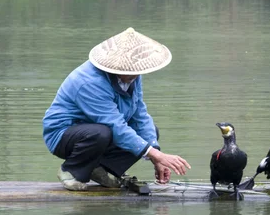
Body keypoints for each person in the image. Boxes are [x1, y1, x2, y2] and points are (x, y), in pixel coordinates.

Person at [43, 27, 191, 191]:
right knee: (101, 133)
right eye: (130, 72)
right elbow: (114, 125)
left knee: (151, 133)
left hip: (103, 130)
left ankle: (103, 170)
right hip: (65, 135)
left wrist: (155, 154)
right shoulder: (89, 82)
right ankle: (71, 170)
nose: (135, 76)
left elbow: (140, 114)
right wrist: (158, 156)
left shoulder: (133, 75)